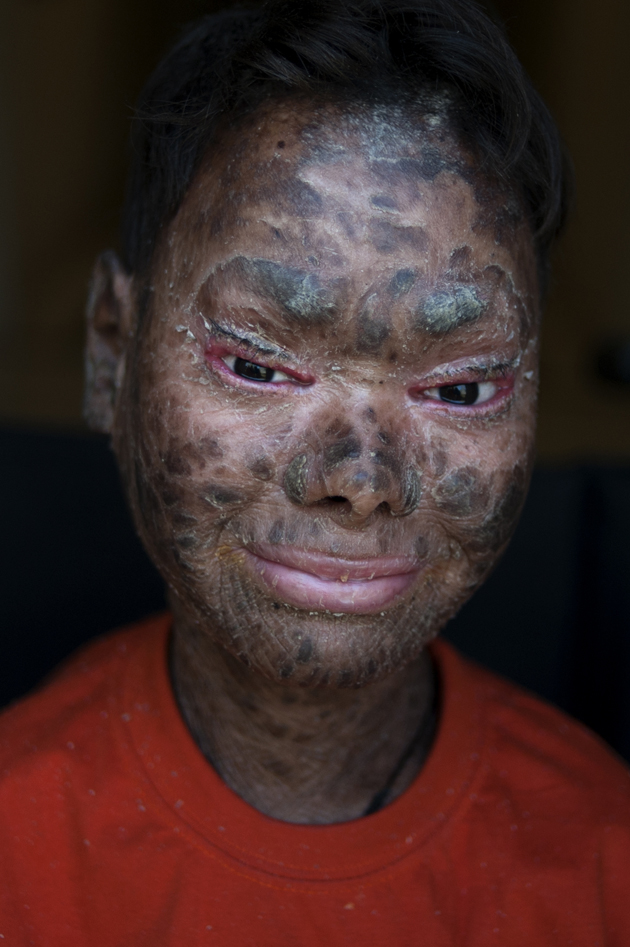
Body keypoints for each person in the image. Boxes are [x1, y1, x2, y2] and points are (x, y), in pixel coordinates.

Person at [2, 0, 629, 942]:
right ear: (111, 355)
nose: (361, 477)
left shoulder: (603, 863)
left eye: (460, 388)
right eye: (257, 364)